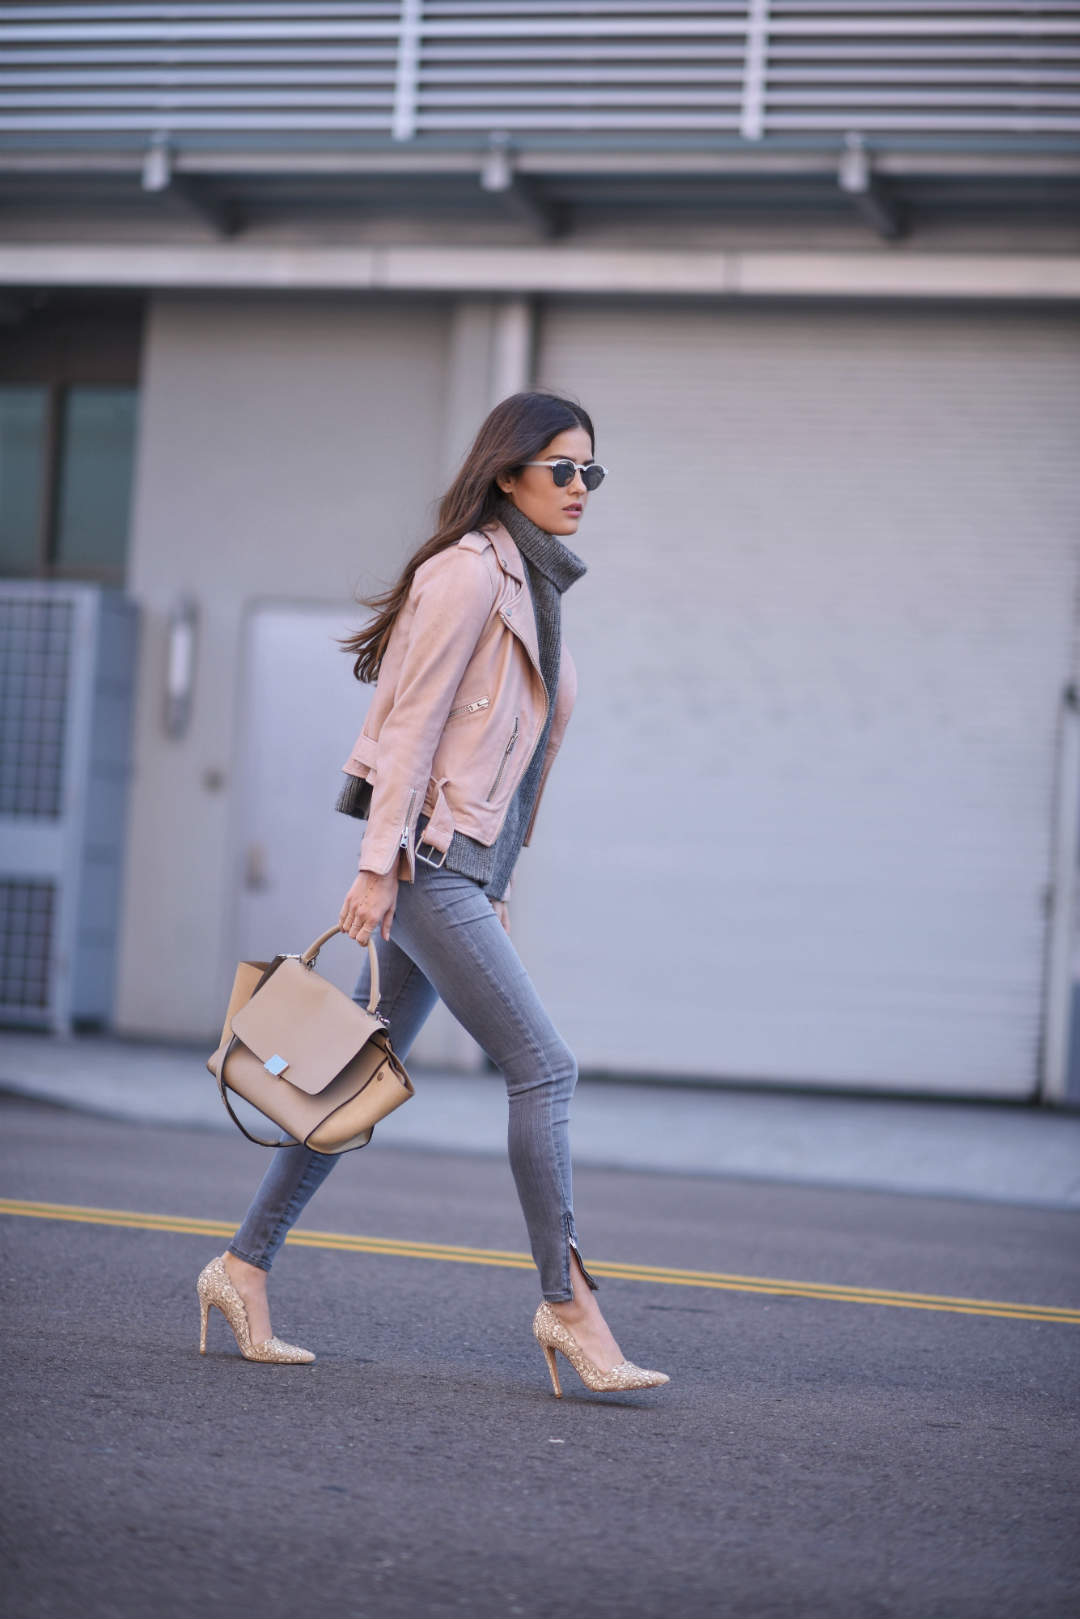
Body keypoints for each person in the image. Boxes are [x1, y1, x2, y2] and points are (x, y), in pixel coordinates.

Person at [196, 390, 669, 1398]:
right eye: (562, 469)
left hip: (458, 868)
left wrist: (494, 879)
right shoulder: (468, 575)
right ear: (508, 474)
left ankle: (239, 1269)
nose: (581, 488)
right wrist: (376, 866)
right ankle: (566, 1303)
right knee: (546, 1066)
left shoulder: (533, 581)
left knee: (346, 1082)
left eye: (592, 471)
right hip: (423, 863)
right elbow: (409, 725)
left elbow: (511, 757)